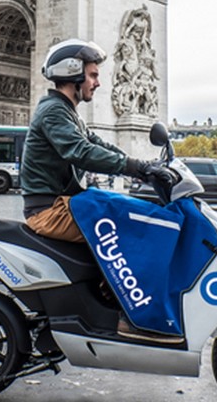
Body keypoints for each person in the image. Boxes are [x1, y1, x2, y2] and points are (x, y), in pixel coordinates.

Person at [20, 38, 177, 342]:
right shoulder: (54, 112)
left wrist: (143, 166)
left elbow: (96, 144)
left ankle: (112, 302)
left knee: (122, 208)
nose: (98, 83)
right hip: (50, 211)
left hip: (63, 203)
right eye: (92, 75)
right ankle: (125, 315)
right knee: (123, 227)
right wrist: (136, 167)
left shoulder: (66, 111)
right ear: (73, 74)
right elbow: (80, 151)